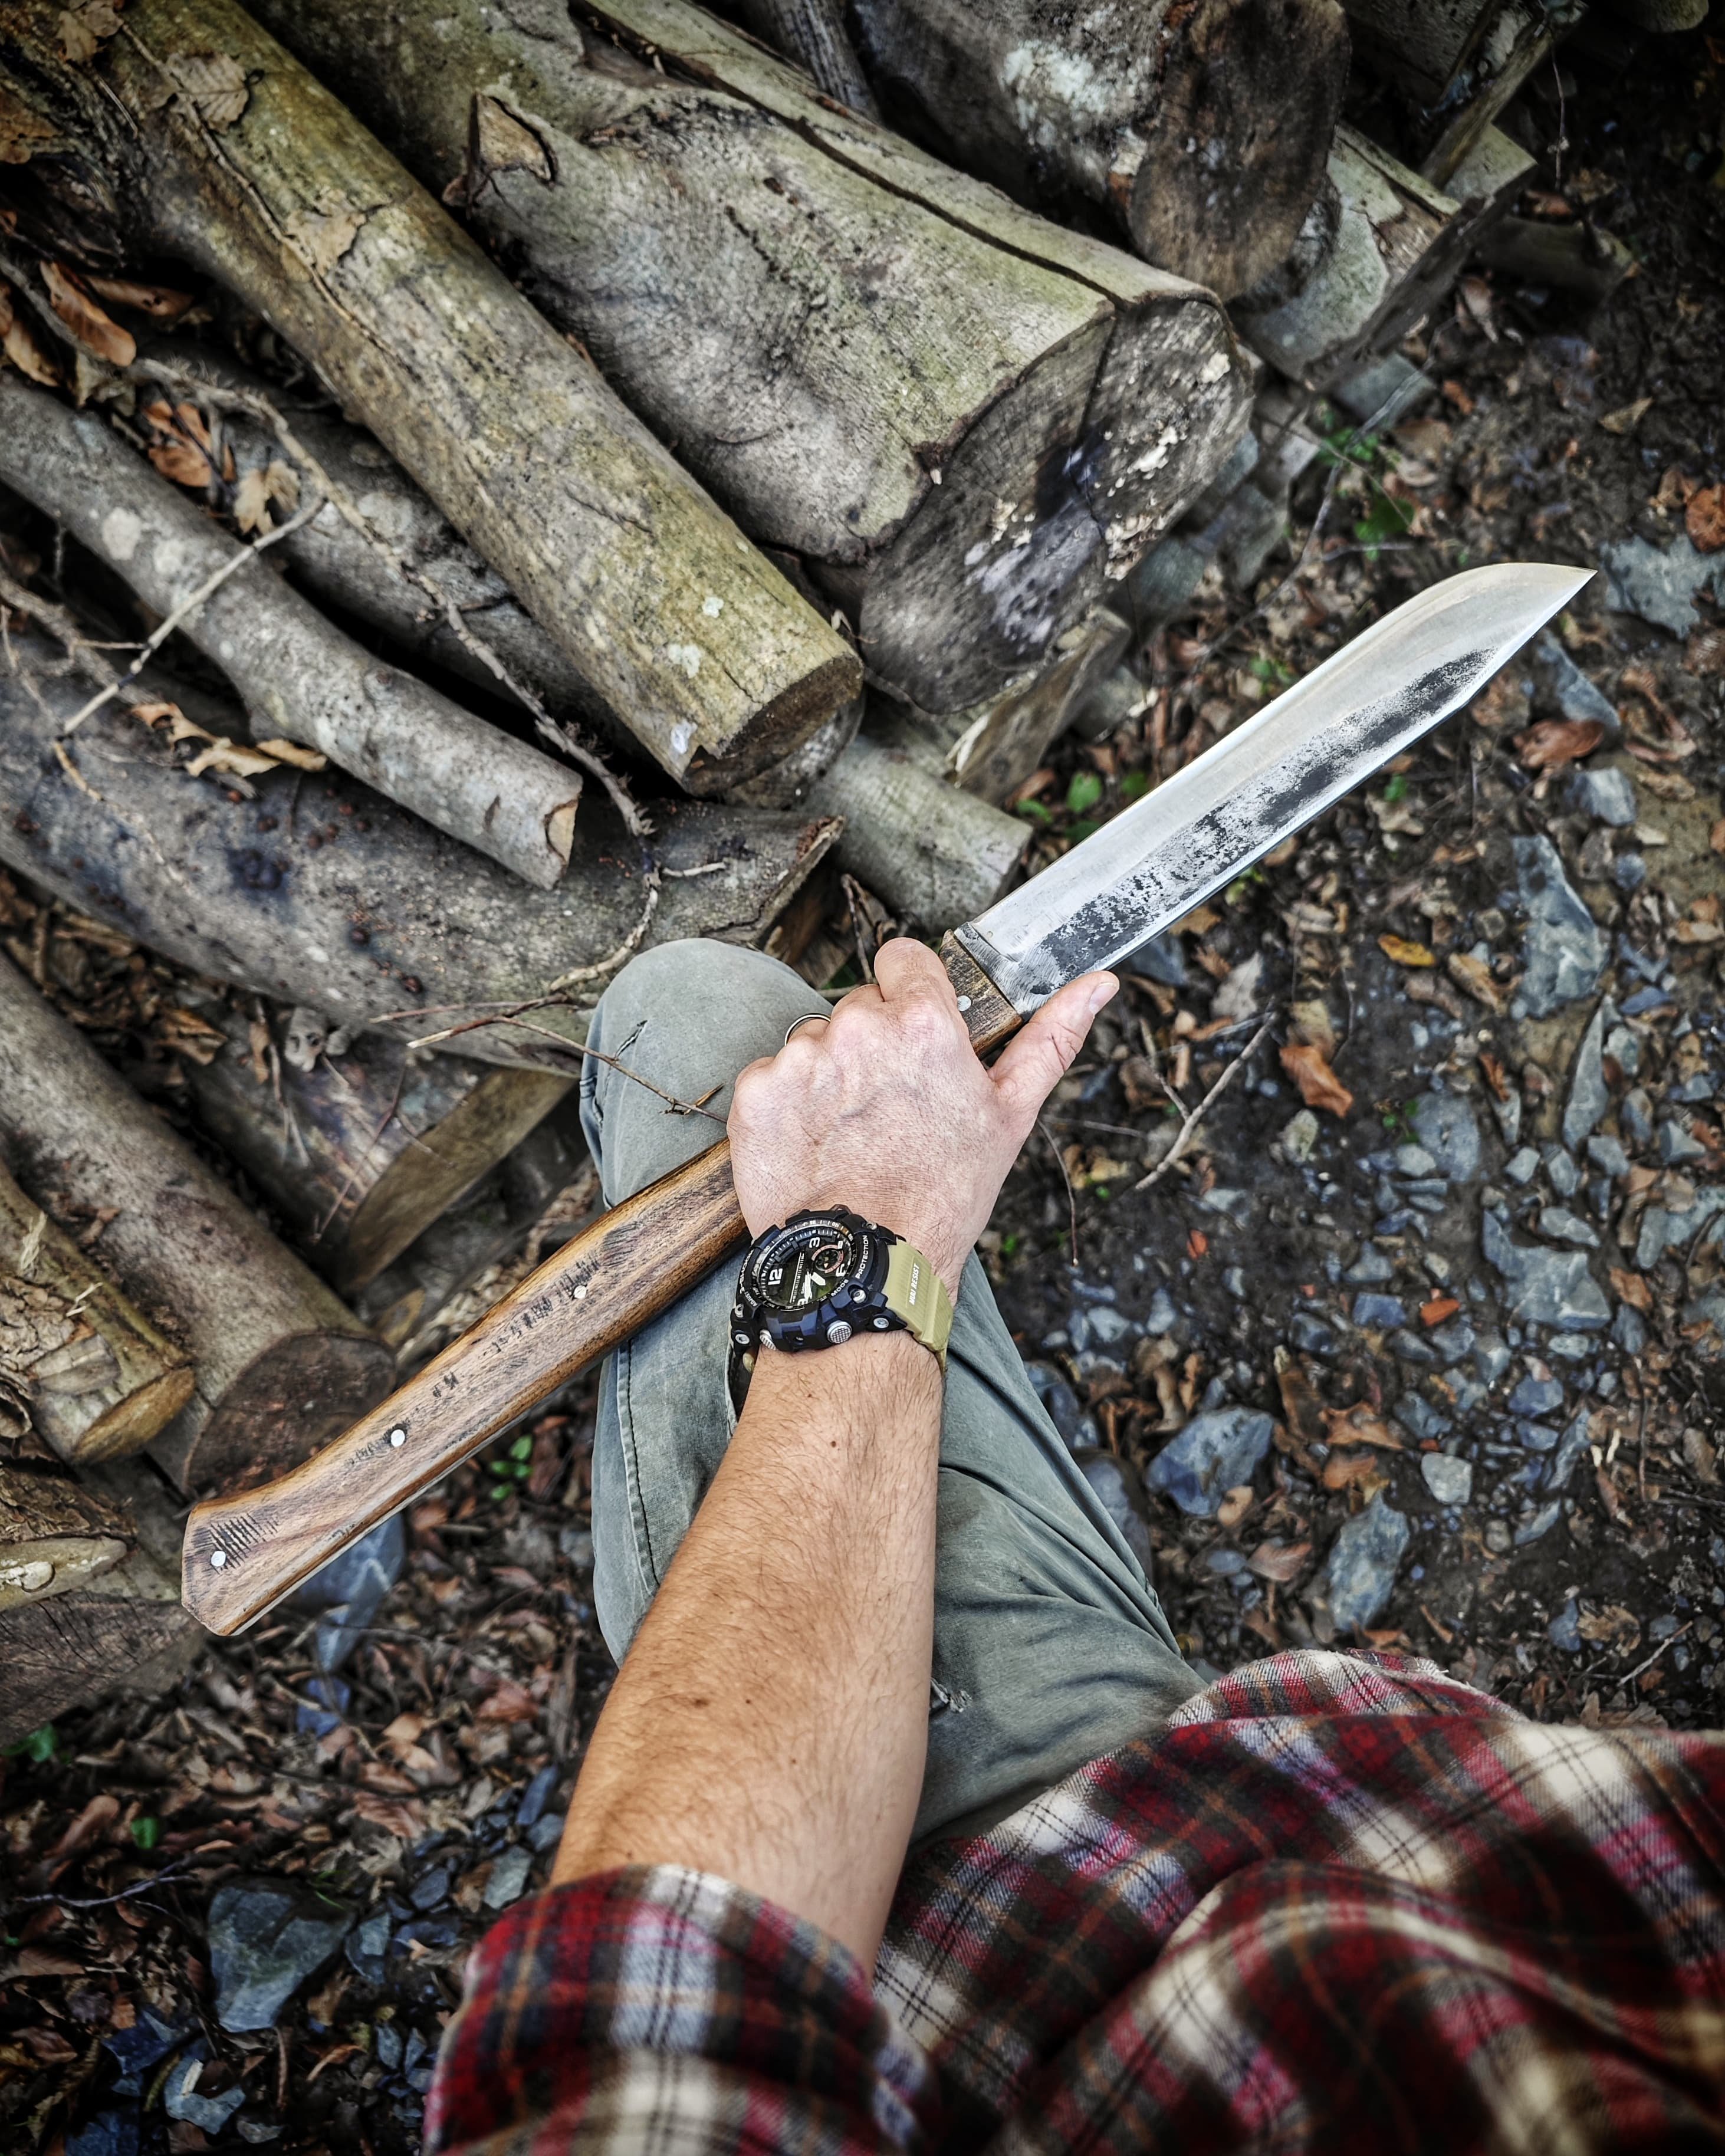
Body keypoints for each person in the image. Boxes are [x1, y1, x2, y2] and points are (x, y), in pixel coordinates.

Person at [428, 938, 1725, 2153]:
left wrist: (867, 1253)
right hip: (1243, 1768)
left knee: (704, 1018)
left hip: (901, 1905)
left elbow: (652, 2016)